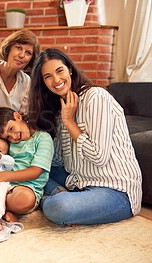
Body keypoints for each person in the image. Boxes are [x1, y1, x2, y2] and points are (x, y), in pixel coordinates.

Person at [28, 48, 142, 226]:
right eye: (48, 76)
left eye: (60, 71)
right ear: (43, 83)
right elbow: (58, 161)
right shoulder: (61, 106)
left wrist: (69, 122)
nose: (56, 80)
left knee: (58, 208)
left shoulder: (96, 97)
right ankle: (60, 193)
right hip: (80, 180)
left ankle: (46, 199)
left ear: (70, 70)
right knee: (36, 168)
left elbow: (99, 156)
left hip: (116, 191)